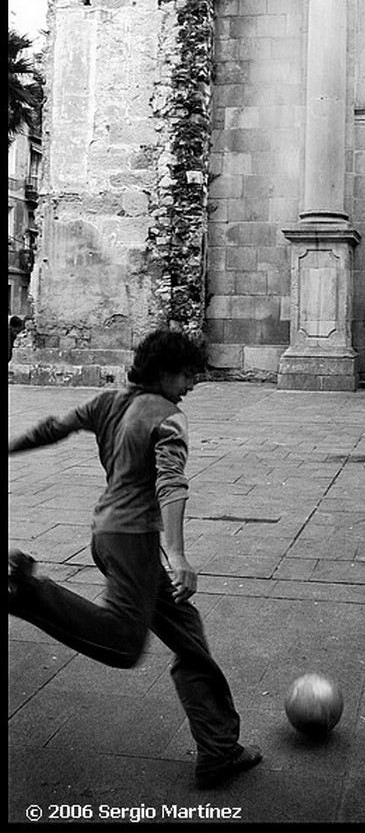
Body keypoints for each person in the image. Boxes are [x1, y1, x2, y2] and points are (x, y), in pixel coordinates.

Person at [8, 328, 262, 790]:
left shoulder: (109, 402)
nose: (193, 384)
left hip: (105, 536)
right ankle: (25, 590)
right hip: (133, 543)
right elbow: (170, 482)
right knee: (123, 645)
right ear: (164, 372)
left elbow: (53, 428)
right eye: (188, 374)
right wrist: (179, 554)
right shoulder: (167, 416)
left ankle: (219, 749)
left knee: (187, 637)